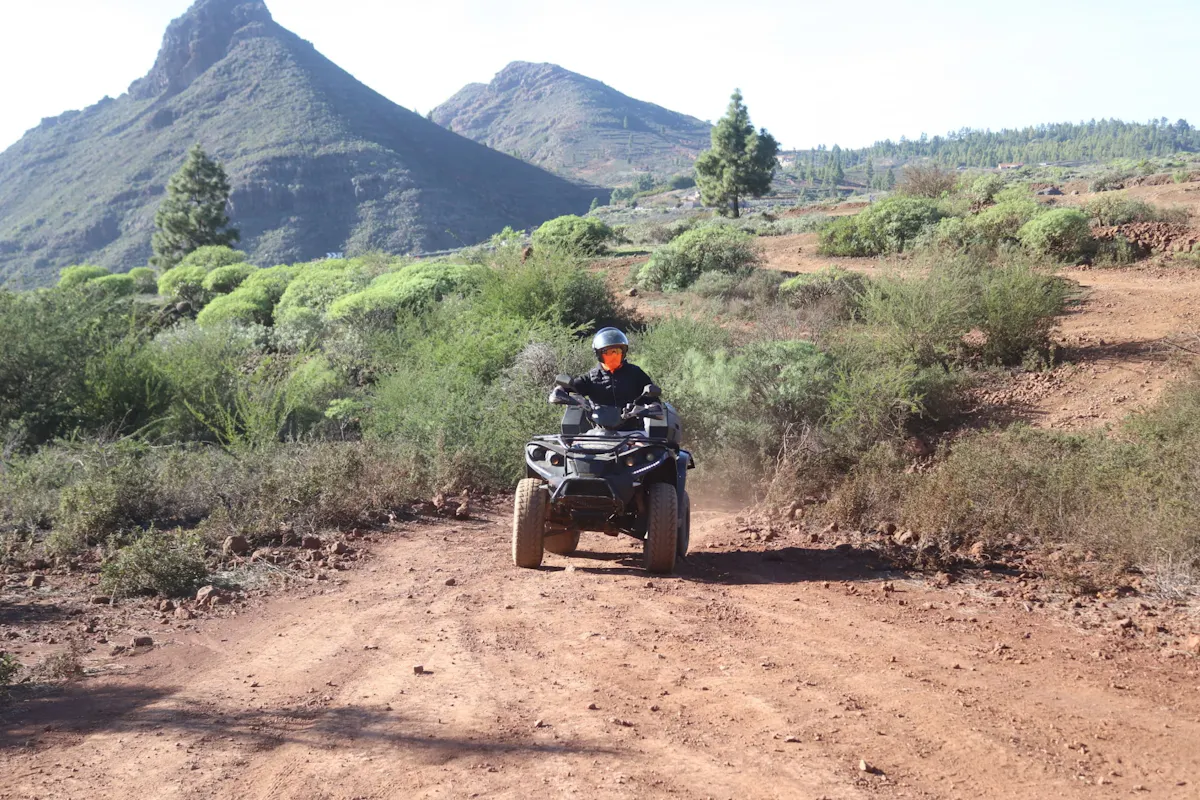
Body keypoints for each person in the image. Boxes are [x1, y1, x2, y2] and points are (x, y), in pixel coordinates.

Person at [566, 328, 656, 408]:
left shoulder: (635, 373)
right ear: (599, 354)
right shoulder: (591, 377)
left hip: (634, 425)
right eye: (608, 352)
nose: (613, 355)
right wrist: (561, 390)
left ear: (623, 353)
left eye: (617, 351)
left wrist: (654, 406)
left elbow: (653, 398)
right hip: (598, 425)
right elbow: (572, 387)